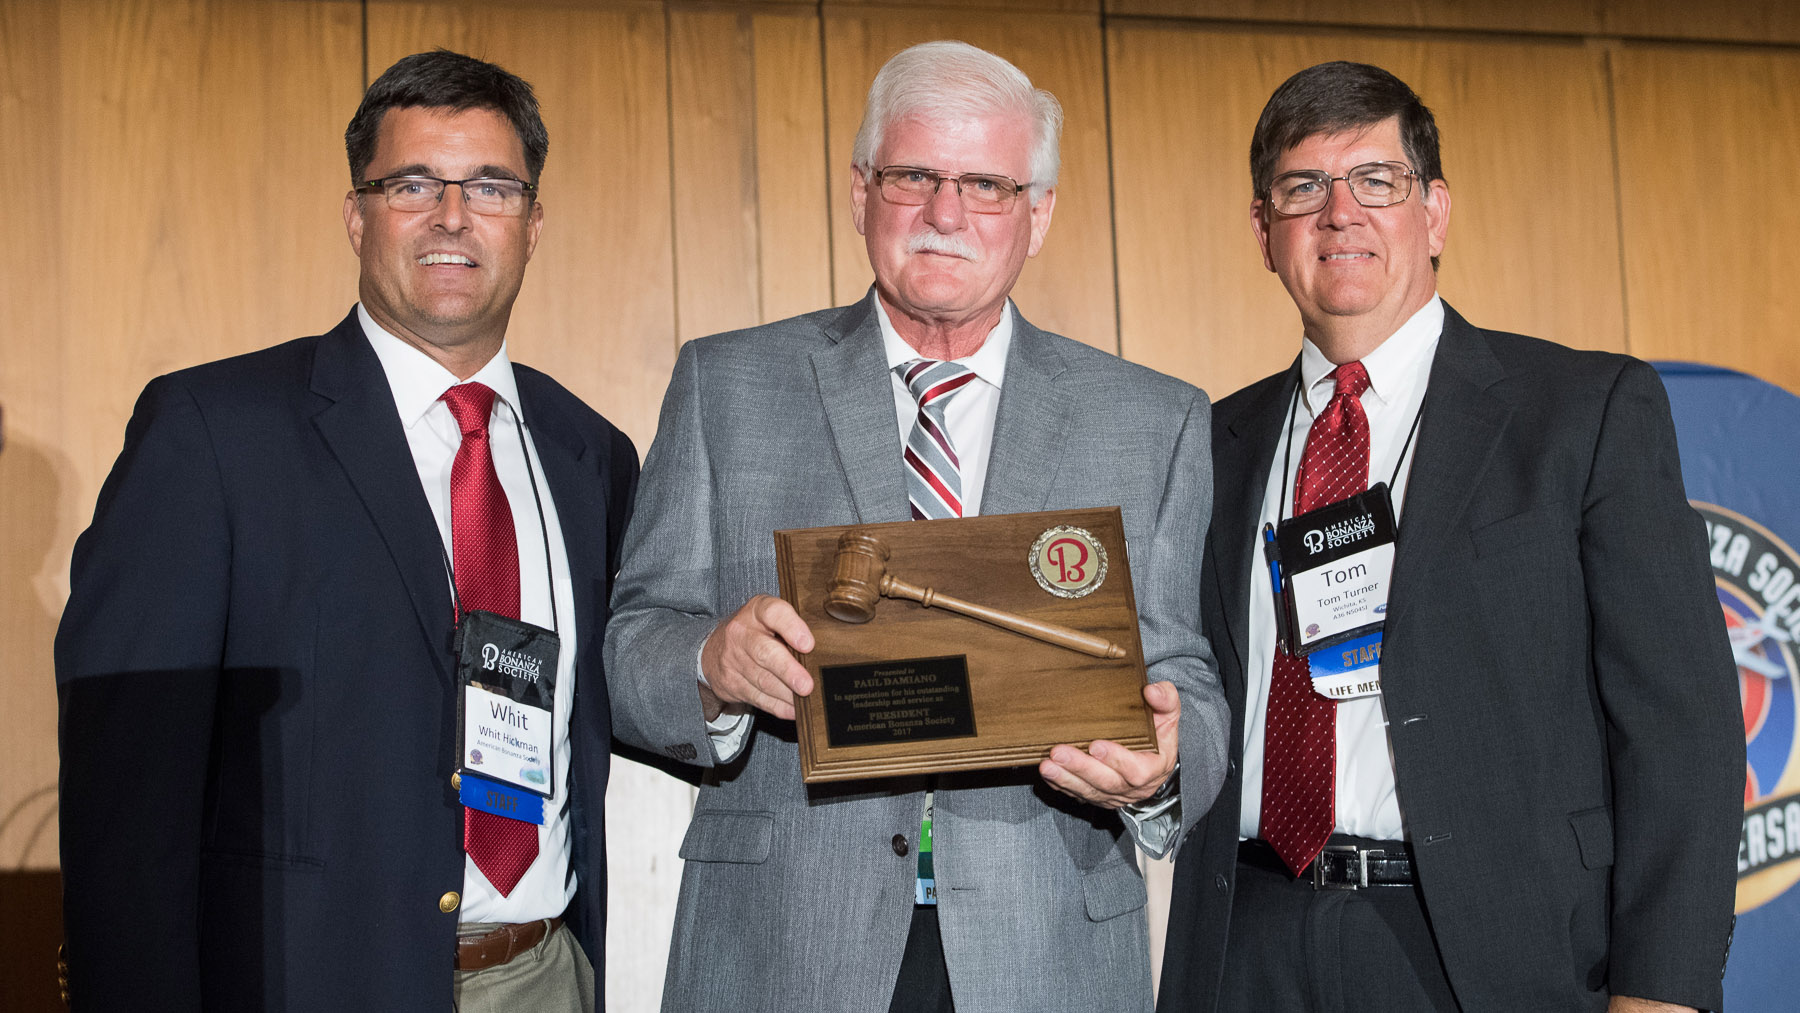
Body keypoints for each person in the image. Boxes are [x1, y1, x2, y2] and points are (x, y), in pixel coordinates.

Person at [604, 40, 1226, 1012]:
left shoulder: (1154, 419)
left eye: (986, 183)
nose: (945, 213)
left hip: (1044, 947)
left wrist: (1162, 766)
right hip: (784, 946)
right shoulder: (726, 386)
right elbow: (631, 645)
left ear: (1039, 212)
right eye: (913, 176)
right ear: (860, 193)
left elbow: (1189, 677)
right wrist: (711, 666)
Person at [55, 50, 636, 1011]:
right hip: (307, 982)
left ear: (533, 224)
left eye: (489, 185)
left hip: (546, 978)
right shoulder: (211, 433)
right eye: (414, 183)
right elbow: (128, 797)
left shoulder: (592, 455)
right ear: (356, 215)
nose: (453, 216)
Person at [1157, 61, 1742, 1013]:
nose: (1340, 213)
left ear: (1434, 214)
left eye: (1376, 182)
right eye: (1304, 188)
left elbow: (1684, 732)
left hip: (1490, 952)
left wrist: (1664, 992)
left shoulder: (1582, 414)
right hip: (1245, 946)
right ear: (1265, 235)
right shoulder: (1205, 444)